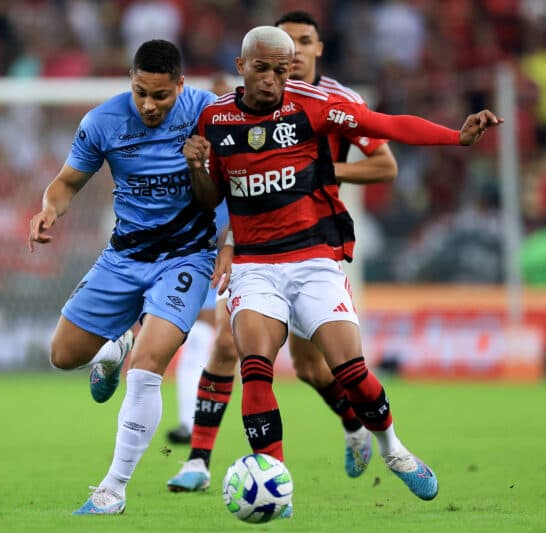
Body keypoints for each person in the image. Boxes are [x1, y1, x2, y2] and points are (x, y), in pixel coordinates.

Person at [183, 26, 501, 503]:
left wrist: (455, 136)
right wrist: (197, 168)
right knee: (256, 367)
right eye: (262, 69)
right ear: (241, 67)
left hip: (314, 260)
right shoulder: (214, 118)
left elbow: (384, 124)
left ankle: (393, 449)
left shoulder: (313, 104)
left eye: (281, 70)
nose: (271, 79)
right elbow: (212, 198)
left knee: (349, 370)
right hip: (255, 266)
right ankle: (276, 487)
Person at [166, 10, 399, 490]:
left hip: (314, 243)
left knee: (313, 368)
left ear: (315, 50)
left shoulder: (336, 102)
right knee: (229, 343)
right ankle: (198, 460)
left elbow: (385, 166)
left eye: (303, 42)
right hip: (253, 241)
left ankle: (355, 424)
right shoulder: (248, 103)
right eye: (284, 43)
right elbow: (236, 167)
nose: (293, 52)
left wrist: (320, 173)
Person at [27, 39, 218, 516]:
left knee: (147, 370)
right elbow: (67, 183)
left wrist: (198, 165)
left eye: (161, 95)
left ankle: (113, 489)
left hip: (186, 258)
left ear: (180, 85)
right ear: (130, 83)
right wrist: (49, 210)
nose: (149, 105)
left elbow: (216, 198)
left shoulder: (207, 114)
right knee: (63, 355)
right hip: (124, 257)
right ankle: (116, 348)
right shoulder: (103, 121)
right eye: (140, 93)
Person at [166, 76, 233, 445]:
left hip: (235, 257)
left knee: (214, 342)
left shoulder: (239, 150)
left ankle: (195, 423)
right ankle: (189, 423)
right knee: (200, 341)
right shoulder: (188, 148)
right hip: (195, 255)